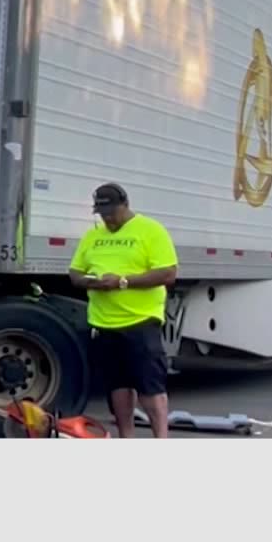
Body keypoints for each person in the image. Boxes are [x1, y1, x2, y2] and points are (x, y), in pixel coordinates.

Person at [67, 183, 179, 437]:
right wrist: (91, 282)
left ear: (125, 205)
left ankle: (161, 437)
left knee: (150, 386)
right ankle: (126, 437)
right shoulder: (93, 236)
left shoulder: (150, 230)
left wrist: (122, 282)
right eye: (102, 213)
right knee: (117, 386)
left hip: (140, 321)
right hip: (104, 323)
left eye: (111, 212)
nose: (107, 218)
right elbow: (75, 273)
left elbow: (168, 273)